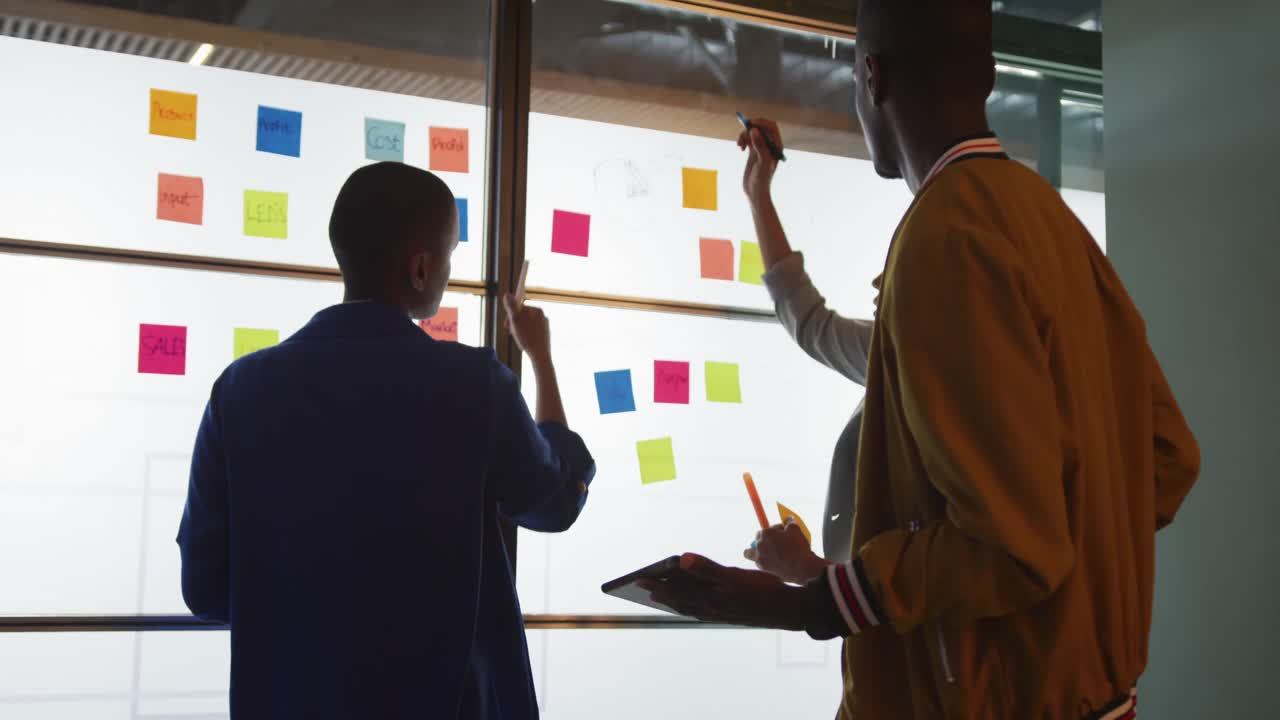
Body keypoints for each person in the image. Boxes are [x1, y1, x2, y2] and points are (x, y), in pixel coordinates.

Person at [646, 1, 1201, 718]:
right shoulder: (1049, 221)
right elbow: (1166, 459)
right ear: (990, 75)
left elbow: (1014, 546)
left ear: (871, 76)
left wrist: (806, 603)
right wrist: (1075, 605)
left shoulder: (946, 239)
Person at [177, 162, 595, 719]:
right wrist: (539, 357)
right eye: (448, 254)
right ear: (420, 269)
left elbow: (205, 587)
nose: (448, 270)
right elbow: (556, 500)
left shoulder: (239, 389)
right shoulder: (472, 383)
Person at [748, 173, 873, 583]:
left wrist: (807, 570)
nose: (877, 283)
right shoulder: (900, 354)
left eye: (900, 266)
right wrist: (757, 194)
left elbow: (924, 579)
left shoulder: (924, 363)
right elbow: (809, 320)